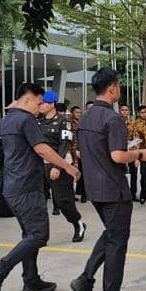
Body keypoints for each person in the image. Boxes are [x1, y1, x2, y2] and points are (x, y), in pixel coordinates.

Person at [0, 83, 81, 291]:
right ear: (28, 100)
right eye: (39, 102)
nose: (40, 106)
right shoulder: (26, 120)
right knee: (38, 235)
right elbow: (42, 149)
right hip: (27, 187)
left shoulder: (8, 119)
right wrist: (68, 167)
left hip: (13, 187)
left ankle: (31, 280)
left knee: (30, 234)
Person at [70, 68, 146, 291]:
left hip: (94, 188)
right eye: (119, 86)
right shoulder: (113, 119)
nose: (120, 90)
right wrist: (139, 153)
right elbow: (117, 156)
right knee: (118, 240)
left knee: (112, 233)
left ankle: (85, 279)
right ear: (112, 87)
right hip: (114, 189)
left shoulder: (85, 119)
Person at [38, 91, 87, 242]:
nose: (40, 106)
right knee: (39, 201)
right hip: (41, 165)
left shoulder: (63, 122)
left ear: (51, 104)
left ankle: (78, 223)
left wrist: (57, 167)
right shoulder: (38, 121)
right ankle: (38, 235)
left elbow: (64, 145)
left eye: (42, 103)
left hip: (59, 165)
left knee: (62, 201)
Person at [119, 103, 139, 199]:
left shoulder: (133, 124)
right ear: (119, 111)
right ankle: (121, 193)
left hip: (131, 150)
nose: (124, 112)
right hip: (119, 150)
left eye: (126, 110)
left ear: (129, 112)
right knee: (120, 173)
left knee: (134, 172)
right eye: (122, 110)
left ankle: (133, 193)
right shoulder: (116, 123)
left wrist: (136, 153)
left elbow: (136, 137)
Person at [70, 105, 86, 203]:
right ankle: (72, 194)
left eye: (80, 113)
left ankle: (84, 195)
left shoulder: (83, 123)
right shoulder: (69, 124)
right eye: (76, 112)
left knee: (83, 174)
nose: (79, 114)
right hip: (72, 151)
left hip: (82, 151)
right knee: (72, 174)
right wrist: (74, 150)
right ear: (72, 113)